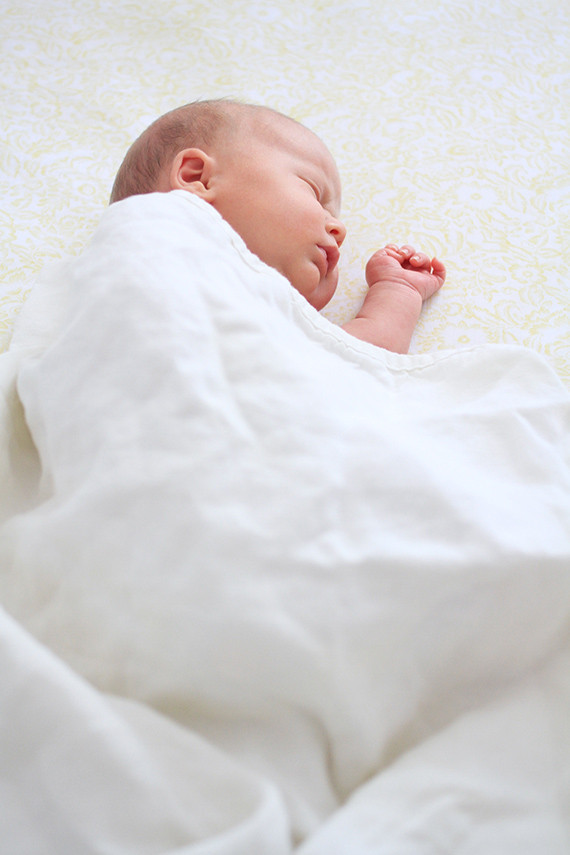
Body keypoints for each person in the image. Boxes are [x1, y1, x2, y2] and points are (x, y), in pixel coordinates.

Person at [110, 99, 445, 354]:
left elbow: (355, 364)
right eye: (314, 193)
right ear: (198, 177)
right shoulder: (121, 275)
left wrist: (397, 292)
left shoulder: (273, 326)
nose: (339, 231)